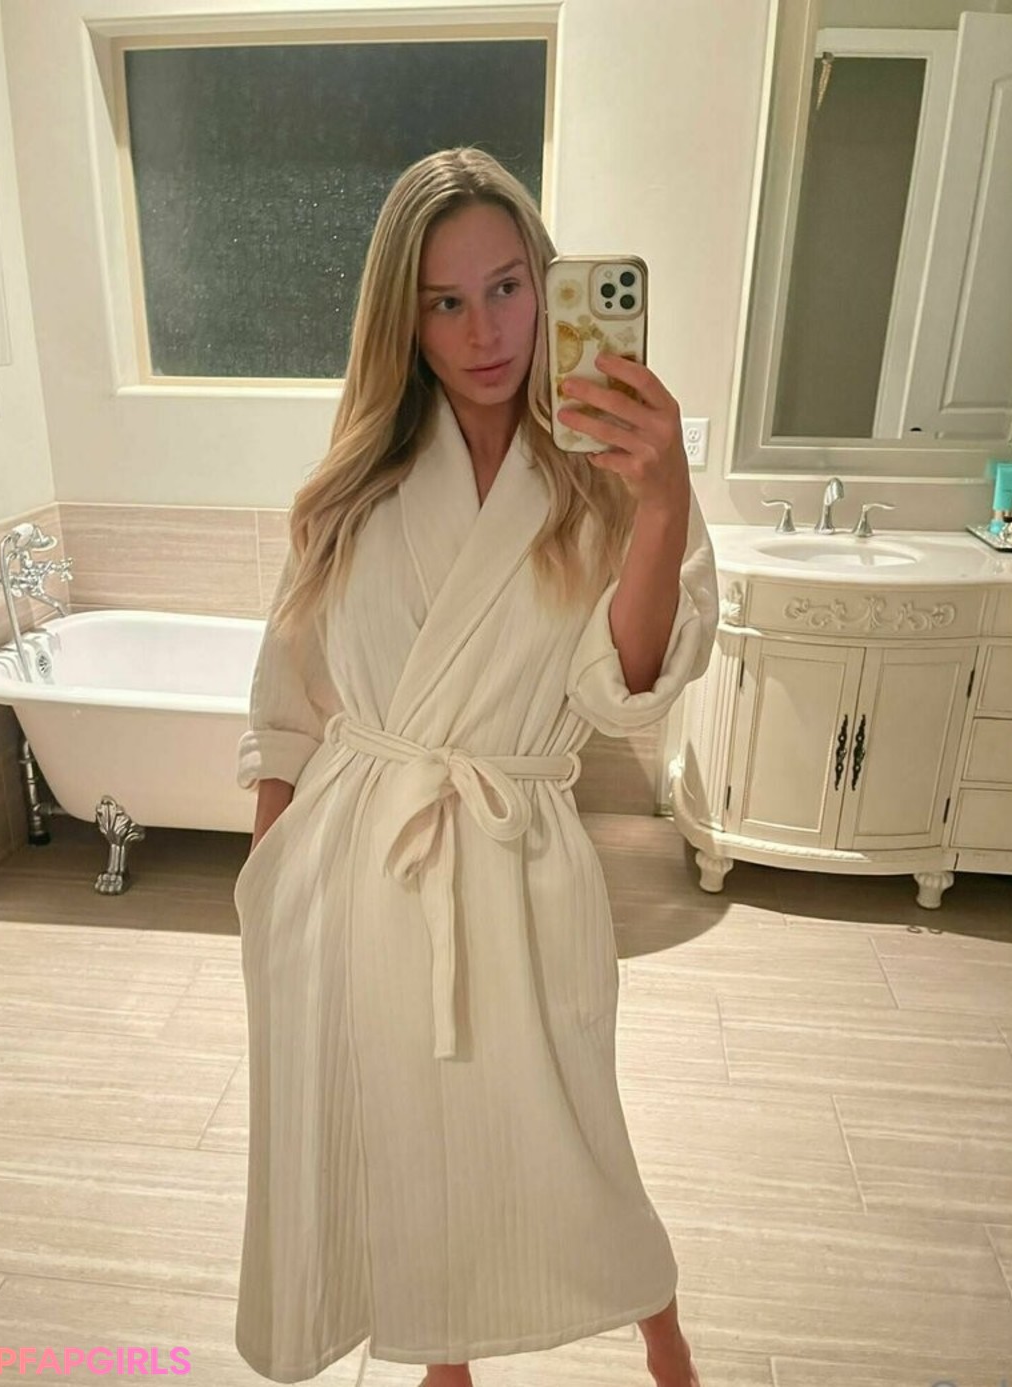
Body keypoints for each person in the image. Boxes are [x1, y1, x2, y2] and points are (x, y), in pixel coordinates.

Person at [233, 146, 717, 1387]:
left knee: (573, 1133)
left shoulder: (609, 472)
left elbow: (626, 685)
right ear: (404, 321)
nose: (485, 331)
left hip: (515, 859)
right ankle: (442, 1368)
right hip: (354, 870)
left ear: (547, 282)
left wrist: (664, 502)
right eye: (444, 302)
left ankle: (666, 1344)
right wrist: (267, 892)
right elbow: (288, 699)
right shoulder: (358, 484)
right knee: (408, 1142)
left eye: (507, 287)